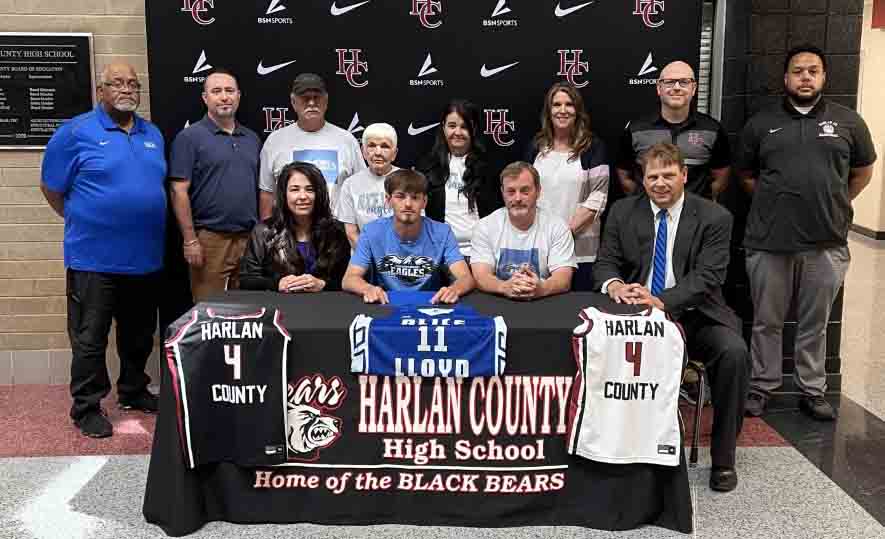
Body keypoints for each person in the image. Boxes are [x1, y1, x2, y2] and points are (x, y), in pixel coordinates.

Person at [594, 142, 748, 492]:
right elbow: (605, 262)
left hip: (695, 315)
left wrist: (661, 300)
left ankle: (724, 460)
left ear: (684, 175)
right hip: (632, 317)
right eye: (652, 176)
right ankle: (613, 450)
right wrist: (616, 285)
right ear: (642, 180)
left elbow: (710, 276)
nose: (660, 183)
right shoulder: (622, 211)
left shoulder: (714, 217)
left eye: (668, 175)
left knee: (734, 353)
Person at [737, 44, 877, 420]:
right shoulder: (761, 124)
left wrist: (836, 200)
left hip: (826, 240)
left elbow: (863, 171)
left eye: (812, 71)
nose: (805, 77)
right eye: (798, 71)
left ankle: (812, 390)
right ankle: (761, 386)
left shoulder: (849, 122)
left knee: (815, 322)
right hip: (769, 241)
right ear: (786, 78)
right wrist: (775, 202)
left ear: (823, 77)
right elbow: (747, 176)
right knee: (767, 320)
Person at [40, 62, 166, 438]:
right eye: (117, 83)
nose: (126, 89)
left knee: (139, 334)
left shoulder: (152, 133)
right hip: (93, 258)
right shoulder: (75, 132)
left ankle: (133, 390)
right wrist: (86, 219)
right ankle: (87, 407)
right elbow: (51, 188)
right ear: (101, 90)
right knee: (90, 338)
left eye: (133, 83)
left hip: (145, 257)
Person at [168, 68, 262, 302]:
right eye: (216, 91)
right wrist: (190, 240)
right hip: (210, 240)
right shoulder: (189, 138)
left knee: (251, 309)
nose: (224, 97)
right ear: (205, 98)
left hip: (249, 239)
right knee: (209, 312)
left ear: (239, 96)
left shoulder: (252, 139)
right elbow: (178, 191)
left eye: (229, 91)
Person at [342, 169, 475, 304]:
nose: (408, 204)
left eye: (415, 197)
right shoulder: (371, 232)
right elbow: (349, 279)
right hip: (385, 304)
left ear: (424, 202)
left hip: (431, 305)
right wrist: (367, 289)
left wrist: (454, 289)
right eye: (400, 196)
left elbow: (466, 278)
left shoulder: (442, 232)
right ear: (388, 200)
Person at [525, 82, 608, 290]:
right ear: (549, 110)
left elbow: (598, 197)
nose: (563, 110)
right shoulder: (536, 146)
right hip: (538, 248)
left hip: (581, 251)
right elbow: (524, 191)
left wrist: (561, 237)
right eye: (556, 104)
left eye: (569, 104)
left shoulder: (592, 147)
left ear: (577, 110)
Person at [617, 61, 731, 201]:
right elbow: (624, 175)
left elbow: (720, 179)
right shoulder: (635, 130)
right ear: (659, 88)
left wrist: (699, 206)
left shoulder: (713, 130)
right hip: (647, 217)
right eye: (669, 82)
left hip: (695, 219)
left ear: (694, 88)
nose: (677, 87)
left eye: (684, 82)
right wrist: (643, 202)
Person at [258, 73, 365, 218]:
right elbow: (267, 193)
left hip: (336, 232)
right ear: (293, 102)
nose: (311, 103)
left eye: (317, 97)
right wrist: (267, 235)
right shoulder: (275, 141)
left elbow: (360, 190)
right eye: (305, 98)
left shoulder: (347, 140)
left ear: (326, 101)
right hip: (288, 233)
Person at [471, 162, 576, 300]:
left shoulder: (557, 226)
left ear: (538, 191)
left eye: (525, 191)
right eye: (511, 191)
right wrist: (504, 287)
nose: (518, 198)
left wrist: (541, 289)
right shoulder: (485, 226)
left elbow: (563, 278)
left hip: (544, 303)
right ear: (502, 193)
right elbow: (481, 276)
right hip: (499, 301)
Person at [240, 162, 350, 292]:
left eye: (310, 189)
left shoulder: (336, 231)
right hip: (279, 305)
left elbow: (348, 280)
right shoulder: (263, 231)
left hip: (323, 306)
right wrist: (276, 284)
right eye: (295, 189)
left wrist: (322, 284)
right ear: (284, 194)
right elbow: (246, 280)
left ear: (319, 194)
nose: (303, 196)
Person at [416, 99, 503, 258]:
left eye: (464, 127)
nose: (457, 132)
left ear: (474, 129)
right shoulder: (427, 166)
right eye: (452, 126)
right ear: (443, 127)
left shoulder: (489, 167)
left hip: (482, 254)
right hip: (441, 253)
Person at [335, 122, 399, 248]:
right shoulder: (350, 184)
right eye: (371, 146)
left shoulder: (408, 180)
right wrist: (371, 259)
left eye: (385, 146)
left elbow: (415, 227)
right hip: (362, 261)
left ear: (394, 153)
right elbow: (351, 233)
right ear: (363, 152)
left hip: (400, 261)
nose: (378, 152)